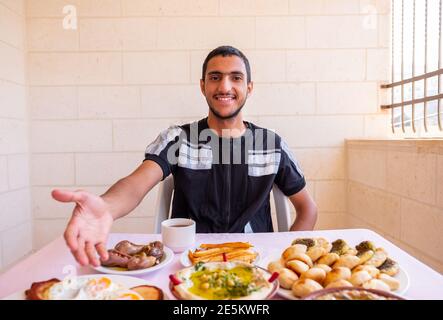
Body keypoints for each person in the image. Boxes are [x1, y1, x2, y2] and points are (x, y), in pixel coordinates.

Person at [52, 46, 318, 267]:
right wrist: (107, 207)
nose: (225, 86)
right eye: (215, 77)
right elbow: (136, 185)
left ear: (249, 87)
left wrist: (284, 254)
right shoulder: (177, 138)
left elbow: (308, 209)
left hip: (254, 264)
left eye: (235, 78)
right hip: (187, 263)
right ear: (203, 86)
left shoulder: (272, 144)